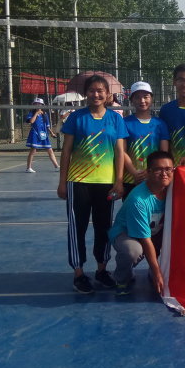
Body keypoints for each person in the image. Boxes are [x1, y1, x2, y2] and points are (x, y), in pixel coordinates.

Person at [57, 74, 128, 294]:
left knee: (103, 227)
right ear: (85, 93)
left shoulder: (116, 119)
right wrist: (62, 182)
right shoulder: (76, 118)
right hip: (78, 182)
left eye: (100, 91)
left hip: (106, 183)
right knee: (77, 228)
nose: (96, 94)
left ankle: (101, 269)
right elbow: (66, 151)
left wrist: (118, 181)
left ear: (107, 94)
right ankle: (78, 273)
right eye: (91, 90)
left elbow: (120, 152)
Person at [109, 150, 174, 296]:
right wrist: (157, 274)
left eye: (168, 169)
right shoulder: (138, 200)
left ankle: (156, 270)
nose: (164, 174)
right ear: (148, 172)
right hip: (127, 233)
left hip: (154, 231)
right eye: (158, 170)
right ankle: (122, 278)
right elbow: (145, 240)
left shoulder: (173, 190)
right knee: (132, 251)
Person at [123, 81, 170, 198]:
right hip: (131, 179)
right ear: (132, 100)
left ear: (151, 99)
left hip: (155, 177)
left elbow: (164, 153)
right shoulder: (125, 123)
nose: (142, 101)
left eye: (145, 97)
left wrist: (150, 171)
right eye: (137, 97)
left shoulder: (160, 124)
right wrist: (134, 172)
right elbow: (121, 151)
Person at [24, 98, 59, 173]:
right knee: (33, 150)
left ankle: (56, 166)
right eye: (36, 104)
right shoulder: (31, 113)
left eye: (39, 104)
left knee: (50, 150)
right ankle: (28, 168)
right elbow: (31, 121)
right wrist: (36, 113)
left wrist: (51, 133)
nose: (38, 105)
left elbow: (47, 125)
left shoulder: (45, 114)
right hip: (35, 133)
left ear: (42, 105)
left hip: (43, 134)